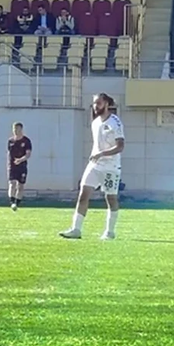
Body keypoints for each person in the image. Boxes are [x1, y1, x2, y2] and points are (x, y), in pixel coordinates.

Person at [58, 93, 125, 240]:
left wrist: (102, 153)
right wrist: (97, 155)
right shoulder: (95, 123)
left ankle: (110, 231)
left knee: (111, 198)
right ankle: (76, 229)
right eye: (94, 103)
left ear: (106, 104)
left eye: (98, 103)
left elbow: (120, 147)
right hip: (95, 165)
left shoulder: (115, 122)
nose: (95, 107)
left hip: (111, 167)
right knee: (83, 194)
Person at [8, 122, 32, 211]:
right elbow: (9, 153)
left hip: (22, 166)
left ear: (21, 129)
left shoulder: (26, 141)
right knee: (12, 183)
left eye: (17, 129)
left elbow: (28, 154)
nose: (15, 131)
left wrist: (20, 160)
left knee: (20, 186)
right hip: (12, 166)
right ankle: (11, 202)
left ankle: (17, 203)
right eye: (14, 129)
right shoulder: (10, 141)